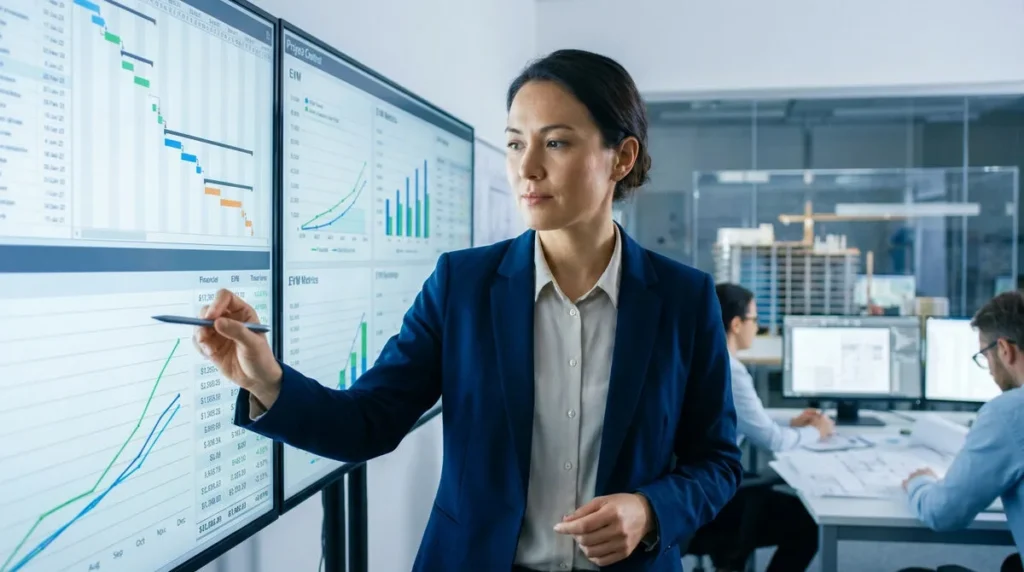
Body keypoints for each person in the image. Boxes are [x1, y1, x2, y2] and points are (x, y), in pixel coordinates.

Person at [194, 49, 743, 572]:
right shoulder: (463, 285)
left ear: (621, 157)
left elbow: (717, 462)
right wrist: (269, 380)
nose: (526, 168)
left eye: (555, 144)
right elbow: (368, 423)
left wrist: (650, 511)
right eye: (513, 143)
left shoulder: (682, 299)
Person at [684, 283, 832, 572]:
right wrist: (818, 431)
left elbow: (739, 416)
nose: (758, 327)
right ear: (737, 324)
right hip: (714, 498)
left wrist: (791, 421)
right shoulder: (731, 370)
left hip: (694, 486)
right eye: (755, 319)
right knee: (807, 522)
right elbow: (773, 441)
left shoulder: (702, 357)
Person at [898, 290, 1024, 572]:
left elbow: (943, 514)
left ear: (1004, 350)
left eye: (985, 355)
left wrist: (919, 483)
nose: (990, 369)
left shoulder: (1009, 413)